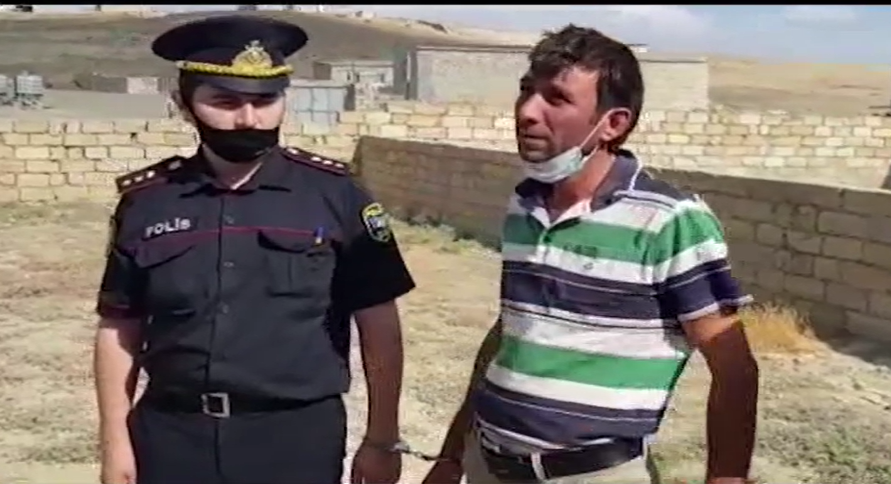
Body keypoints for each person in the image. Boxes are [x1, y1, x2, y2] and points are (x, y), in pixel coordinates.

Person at [423, 24, 760, 484]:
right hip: (489, 466)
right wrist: (452, 455)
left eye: (556, 99)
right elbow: (512, 333)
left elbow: (734, 368)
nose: (527, 112)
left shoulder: (669, 221)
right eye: (526, 91)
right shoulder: (523, 206)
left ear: (613, 124)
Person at [92, 15, 415, 484]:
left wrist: (382, 438)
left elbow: (379, 324)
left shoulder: (336, 195)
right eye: (225, 102)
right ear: (183, 104)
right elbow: (119, 326)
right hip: (172, 435)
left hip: (294, 438)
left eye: (265, 101)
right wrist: (114, 442)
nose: (248, 119)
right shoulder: (148, 202)